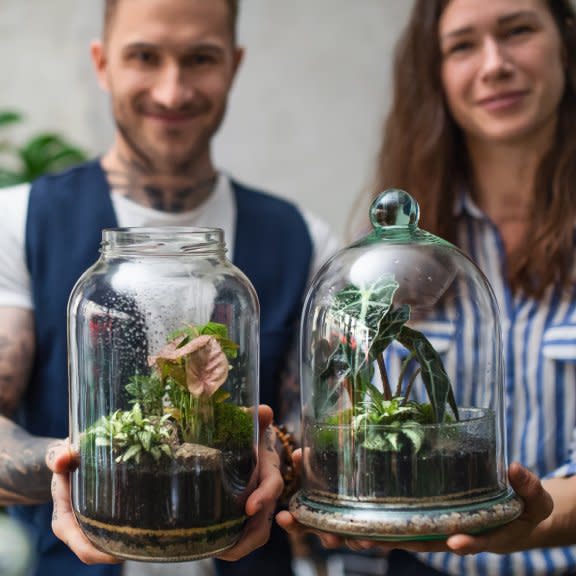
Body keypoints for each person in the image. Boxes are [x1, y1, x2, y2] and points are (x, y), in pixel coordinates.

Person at [0, 1, 337, 576]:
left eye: (199, 59)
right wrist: (71, 465)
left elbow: (329, 426)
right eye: (145, 57)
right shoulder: (18, 221)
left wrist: (280, 455)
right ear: (103, 64)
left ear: (233, 65)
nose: (172, 91)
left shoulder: (303, 238)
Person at [278, 0, 576, 574]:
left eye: (517, 31)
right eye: (463, 44)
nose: (494, 64)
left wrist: (522, 519)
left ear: (565, 40)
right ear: (435, 70)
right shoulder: (387, 257)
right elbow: (341, 406)